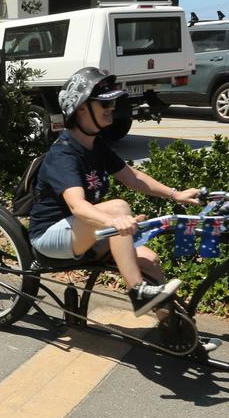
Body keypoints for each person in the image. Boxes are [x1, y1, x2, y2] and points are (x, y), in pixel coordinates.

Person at [27, 67, 203, 316]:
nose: (111, 108)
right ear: (81, 110)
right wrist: (114, 221)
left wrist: (176, 194)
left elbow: (133, 177)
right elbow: (77, 206)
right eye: (103, 104)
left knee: (150, 262)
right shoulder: (63, 154)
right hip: (51, 237)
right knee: (118, 206)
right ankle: (138, 292)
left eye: (111, 103)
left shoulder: (96, 145)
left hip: (87, 231)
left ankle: (176, 333)